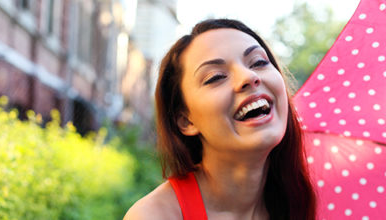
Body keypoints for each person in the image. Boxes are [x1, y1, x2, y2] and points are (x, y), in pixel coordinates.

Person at [124, 18, 316, 220]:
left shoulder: (299, 204)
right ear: (186, 121)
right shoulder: (154, 215)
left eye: (259, 62)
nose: (249, 76)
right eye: (216, 77)